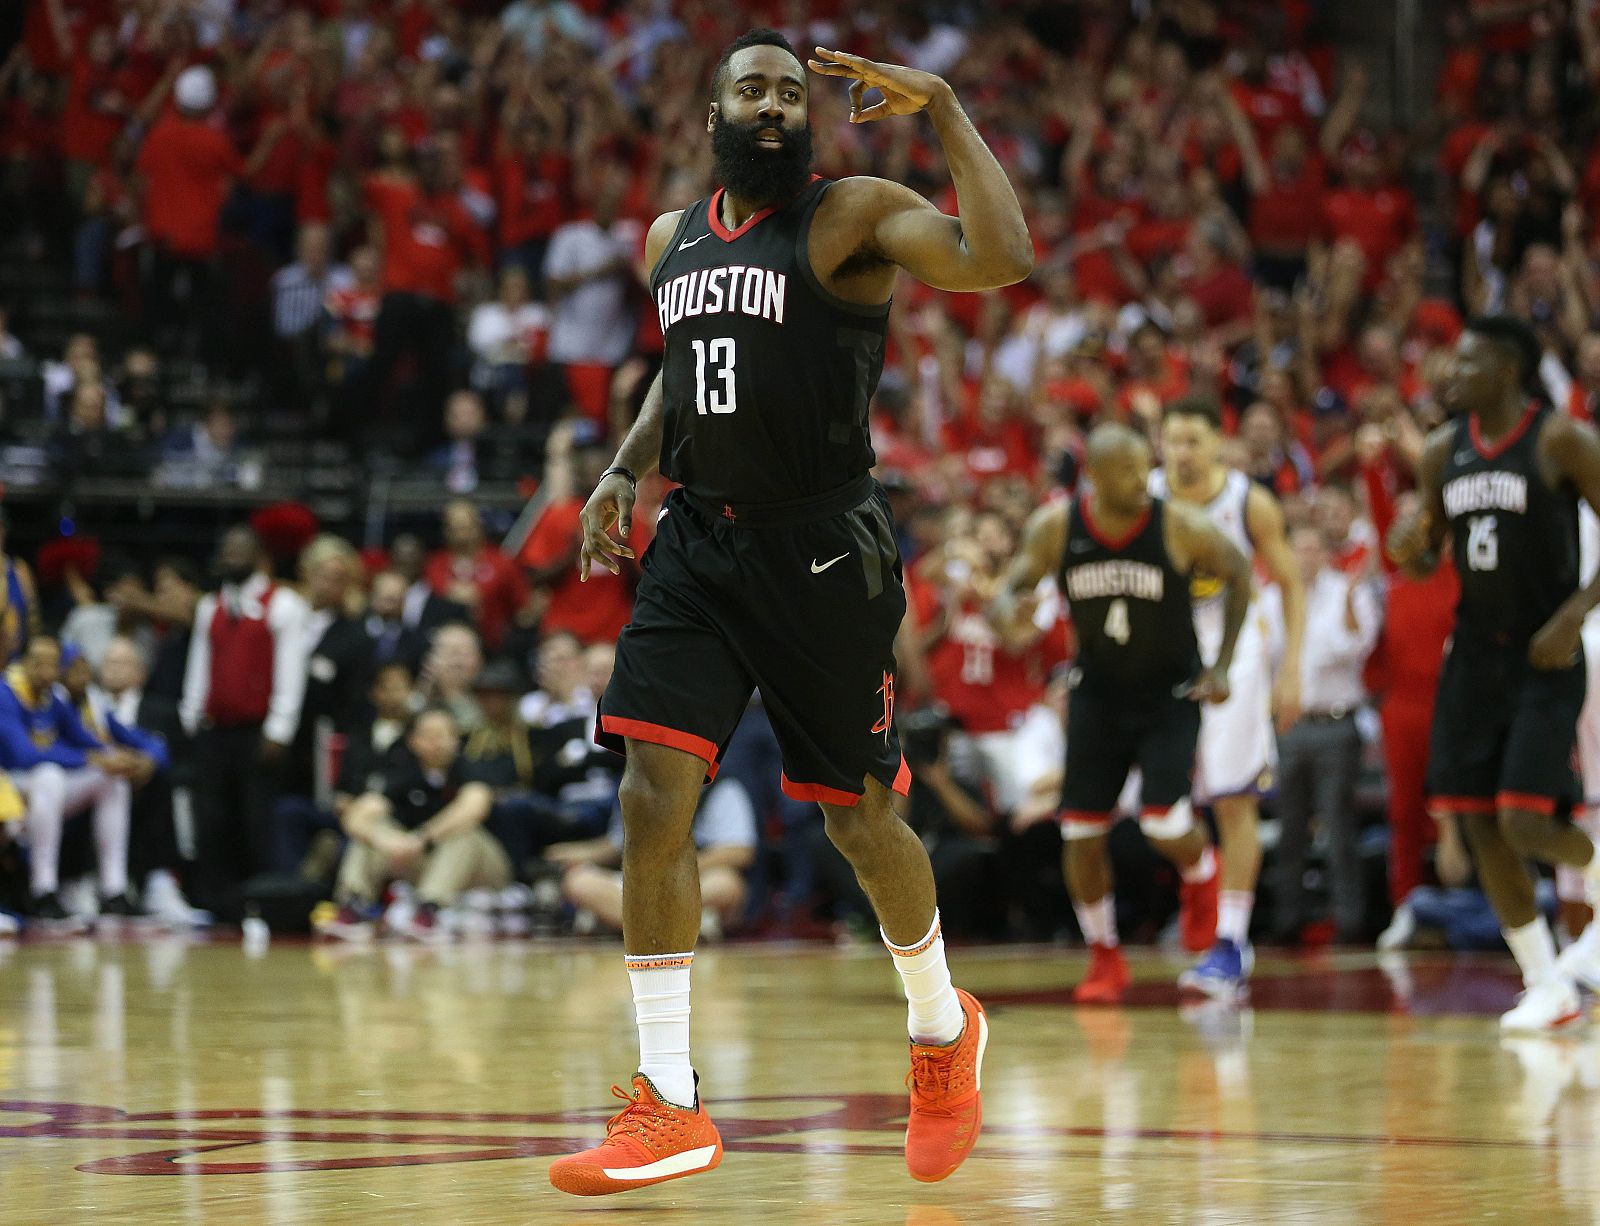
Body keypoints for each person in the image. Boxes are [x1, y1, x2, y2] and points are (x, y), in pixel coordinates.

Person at [548, 30, 1032, 1195]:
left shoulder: (852, 211)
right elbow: (686, 368)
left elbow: (998, 257)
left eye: (788, 91)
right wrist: (623, 469)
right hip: (700, 544)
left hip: (823, 550)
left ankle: (938, 1025)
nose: (771, 104)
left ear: (806, 116)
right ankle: (668, 1096)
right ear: (713, 113)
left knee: (860, 822)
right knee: (653, 785)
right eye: (750, 88)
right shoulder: (670, 239)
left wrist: (947, 110)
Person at [1389, 315, 1600, 1031]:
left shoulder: (1559, 439)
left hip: (1546, 651)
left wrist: (1576, 613)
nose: (1452, 372)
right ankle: (1547, 982)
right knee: (1480, 826)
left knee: (1524, 819)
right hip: (1475, 657)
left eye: (1469, 361)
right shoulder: (1443, 451)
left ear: (1508, 370)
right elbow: (1429, 555)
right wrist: (1407, 549)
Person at [991, 424, 1248, 1002]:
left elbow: (1239, 571)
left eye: (1144, 467)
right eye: (1131, 470)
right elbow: (1009, 591)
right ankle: (1105, 956)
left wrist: (1224, 663)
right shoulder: (1056, 527)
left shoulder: (1178, 524)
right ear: (1096, 478)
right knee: (1080, 833)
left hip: (1169, 695)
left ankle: (1201, 875)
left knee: (1162, 819)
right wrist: (1012, 610)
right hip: (1098, 696)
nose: (1144, 479)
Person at [1151, 394, 1306, 997]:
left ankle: (1231, 941)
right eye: (1173, 439)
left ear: (1219, 442)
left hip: (1235, 648)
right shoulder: (1147, 493)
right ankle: (1202, 872)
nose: (1182, 452)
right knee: (1154, 809)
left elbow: (1290, 582)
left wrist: (1290, 670)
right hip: (1166, 650)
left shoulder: (1248, 500)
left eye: (1194, 439)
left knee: (1232, 800)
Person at [179, 526, 311, 920]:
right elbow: (200, 663)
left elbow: (291, 670)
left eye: (240, 551)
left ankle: (260, 900)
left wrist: (280, 727)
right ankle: (216, 904)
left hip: (259, 730)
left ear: (259, 556)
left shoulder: (283, 604)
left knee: (257, 818)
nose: (231, 558)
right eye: (226, 551)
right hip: (216, 728)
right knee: (213, 816)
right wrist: (191, 712)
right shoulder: (210, 606)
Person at [315, 706, 511, 942]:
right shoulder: (403, 774)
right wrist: (385, 840)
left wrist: (423, 836)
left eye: (443, 735)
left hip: (486, 867)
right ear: (413, 741)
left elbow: (474, 807)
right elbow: (357, 816)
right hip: (428, 864)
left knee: (463, 833)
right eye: (429, 736)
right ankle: (353, 906)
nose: (436, 742)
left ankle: (430, 910)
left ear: (455, 739)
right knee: (371, 831)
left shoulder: (472, 767)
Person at [1271, 524, 1380, 944]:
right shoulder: (1274, 596)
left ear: (1327, 553)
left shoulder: (1346, 592)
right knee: (1290, 827)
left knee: (1338, 825)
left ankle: (1349, 921)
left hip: (1337, 721)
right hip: (1291, 723)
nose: (1306, 556)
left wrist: (1352, 601)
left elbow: (1353, 646)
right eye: (1298, 548)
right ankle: (1286, 921)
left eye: (1314, 547)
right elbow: (1266, 655)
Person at [0, 636, 138, 926]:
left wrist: (114, 757)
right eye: (39, 663)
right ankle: (43, 890)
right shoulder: (6, 692)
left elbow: (84, 739)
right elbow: (24, 754)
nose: (47, 672)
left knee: (112, 779)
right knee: (49, 776)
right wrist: (91, 758)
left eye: (53, 664)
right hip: (10, 782)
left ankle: (113, 889)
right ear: (24, 663)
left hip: (44, 787)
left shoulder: (55, 697)